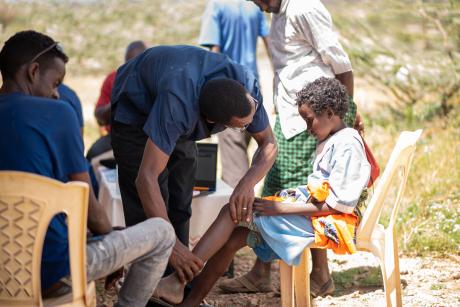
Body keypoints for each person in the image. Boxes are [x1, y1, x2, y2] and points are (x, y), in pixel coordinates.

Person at [153, 77, 371, 306]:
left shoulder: (347, 145)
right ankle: (188, 299)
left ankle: (177, 281)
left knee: (231, 212)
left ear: (328, 112)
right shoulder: (336, 138)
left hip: (332, 223)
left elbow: (338, 205)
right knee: (232, 237)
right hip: (315, 215)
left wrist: (280, 208)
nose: (307, 129)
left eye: (309, 121)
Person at [0, 30, 175, 307]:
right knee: (163, 233)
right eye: (56, 82)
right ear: (33, 72)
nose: (57, 94)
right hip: (55, 273)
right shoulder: (58, 113)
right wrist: (108, 233)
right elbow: (90, 209)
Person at [220, 0, 364, 296]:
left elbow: (341, 66)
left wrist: (342, 118)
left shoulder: (304, 8)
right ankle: (263, 271)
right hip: (291, 119)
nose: (258, 5)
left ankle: (320, 275)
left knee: (307, 190)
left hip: (314, 121)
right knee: (279, 188)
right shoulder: (280, 12)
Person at [110, 45, 277, 286]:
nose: (251, 124)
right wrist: (171, 246)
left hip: (179, 93)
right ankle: (146, 290)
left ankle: (175, 285)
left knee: (181, 197)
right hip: (136, 108)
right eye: (242, 126)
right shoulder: (176, 106)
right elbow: (145, 178)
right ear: (210, 121)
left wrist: (247, 183)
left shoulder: (246, 88)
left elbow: (268, 143)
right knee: (145, 211)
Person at [198, 0, 271, 188]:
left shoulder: (217, 5)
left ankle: (239, 212)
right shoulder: (254, 6)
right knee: (242, 153)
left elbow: (214, 52)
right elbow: (270, 44)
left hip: (228, 94)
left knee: (234, 162)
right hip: (253, 90)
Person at [86, 40, 147, 161]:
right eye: (129, 65)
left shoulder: (155, 79)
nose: (133, 70)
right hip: (117, 137)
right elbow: (100, 118)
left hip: (147, 139)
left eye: (138, 65)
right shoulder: (114, 79)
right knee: (93, 154)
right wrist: (117, 100)